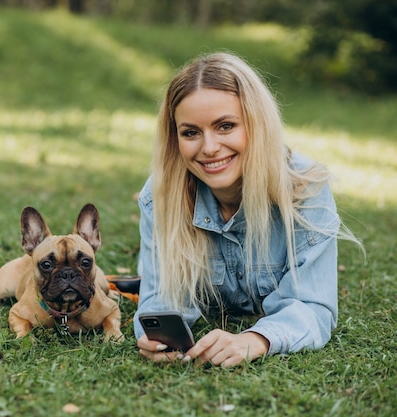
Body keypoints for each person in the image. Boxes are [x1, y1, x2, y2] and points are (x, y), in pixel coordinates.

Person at [134, 52, 361, 368]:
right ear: (175, 138)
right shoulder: (160, 195)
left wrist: (254, 340)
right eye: (190, 132)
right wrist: (153, 335)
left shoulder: (305, 187)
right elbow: (160, 299)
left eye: (225, 126)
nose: (209, 147)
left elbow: (315, 308)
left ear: (257, 124)